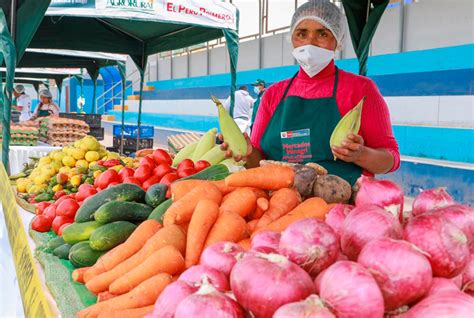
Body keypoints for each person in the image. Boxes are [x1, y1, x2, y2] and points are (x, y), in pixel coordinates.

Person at [223, 0, 400, 185]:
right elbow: (257, 164)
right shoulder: (272, 95)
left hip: (342, 205)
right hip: (279, 203)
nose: (310, 42)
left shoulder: (361, 89)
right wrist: (247, 152)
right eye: (302, 33)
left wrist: (361, 154)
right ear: (292, 39)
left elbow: (391, 159)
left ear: (337, 40)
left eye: (322, 33)